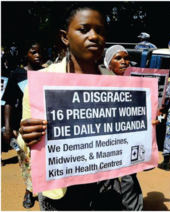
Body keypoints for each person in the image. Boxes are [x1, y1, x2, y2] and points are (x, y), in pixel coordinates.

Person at [17, 3, 123, 210]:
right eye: (84, 30)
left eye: (100, 31)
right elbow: (24, 139)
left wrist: (145, 127)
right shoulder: (42, 82)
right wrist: (26, 135)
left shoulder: (116, 83)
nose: (94, 36)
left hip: (105, 185)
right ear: (65, 37)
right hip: (60, 191)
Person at [2, 39, 44, 208]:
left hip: (43, 127)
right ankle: (29, 191)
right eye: (33, 52)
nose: (38, 55)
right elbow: (9, 102)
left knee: (42, 161)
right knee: (26, 161)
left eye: (40, 52)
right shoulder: (17, 75)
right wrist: (7, 128)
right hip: (23, 130)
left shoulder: (47, 73)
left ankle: (44, 192)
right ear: (25, 55)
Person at [104, 45, 143, 211]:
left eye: (126, 58)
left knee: (129, 178)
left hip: (128, 143)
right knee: (106, 181)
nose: (124, 62)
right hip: (107, 144)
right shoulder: (101, 85)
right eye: (118, 58)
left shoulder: (138, 85)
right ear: (109, 64)